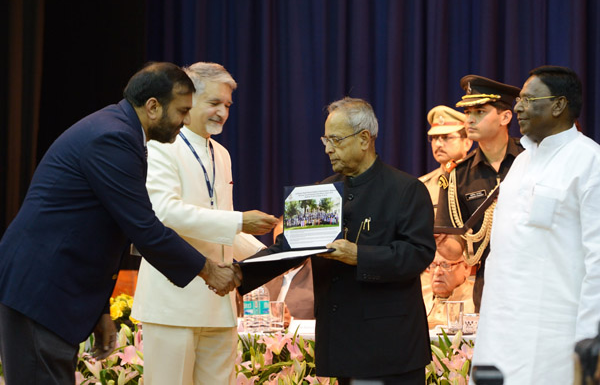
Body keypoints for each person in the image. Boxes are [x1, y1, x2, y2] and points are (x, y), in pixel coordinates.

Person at [0, 62, 240, 385]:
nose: (185, 122)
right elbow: (144, 229)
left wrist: (101, 312)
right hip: (40, 292)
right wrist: (209, 270)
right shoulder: (113, 138)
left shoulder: (121, 132)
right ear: (153, 106)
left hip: (53, 294)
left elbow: (106, 233)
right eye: (182, 111)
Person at [240, 97, 436, 384]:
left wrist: (359, 255)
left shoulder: (406, 189)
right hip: (344, 341)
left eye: (336, 140)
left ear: (364, 138)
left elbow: (418, 253)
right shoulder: (322, 191)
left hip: (392, 346)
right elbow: (289, 247)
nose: (328, 149)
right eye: (325, 140)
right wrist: (238, 273)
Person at [131, 62, 277, 384]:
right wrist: (240, 221)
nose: (222, 113)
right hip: (173, 302)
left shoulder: (221, 153)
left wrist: (275, 254)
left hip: (219, 302)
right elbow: (165, 213)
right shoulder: (159, 146)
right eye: (214, 103)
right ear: (189, 99)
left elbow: (221, 222)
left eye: (227, 105)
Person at [472, 65, 600, 384]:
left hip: (555, 342)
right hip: (499, 336)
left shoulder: (589, 162)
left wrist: (589, 339)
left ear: (558, 105)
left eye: (528, 99)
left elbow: (597, 261)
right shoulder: (522, 163)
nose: (517, 107)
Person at [435, 75, 522, 312]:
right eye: (468, 112)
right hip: (490, 284)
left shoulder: (532, 159)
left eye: (480, 112)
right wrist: (441, 242)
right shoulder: (457, 176)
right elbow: (456, 249)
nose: (470, 120)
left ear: (505, 117)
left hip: (536, 277)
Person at [419, 105, 472, 214]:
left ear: (467, 142)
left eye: (446, 137)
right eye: (434, 138)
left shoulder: (478, 180)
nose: (438, 144)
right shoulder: (423, 186)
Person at [423, 240, 475, 330]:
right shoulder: (418, 295)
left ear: (466, 268)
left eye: (445, 265)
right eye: (433, 265)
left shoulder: (478, 299)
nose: (437, 272)